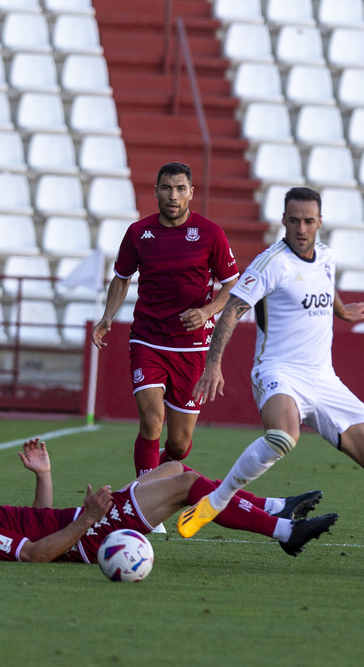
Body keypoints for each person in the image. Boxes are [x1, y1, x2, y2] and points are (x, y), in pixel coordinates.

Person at [176, 186, 364, 580]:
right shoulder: (270, 263)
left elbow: (324, 285)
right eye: (294, 221)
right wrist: (213, 365)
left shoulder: (326, 256)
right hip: (278, 371)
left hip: (324, 379)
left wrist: (342, 311)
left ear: (320, 222)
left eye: (309, 221)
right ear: (284, 221)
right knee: (282, 437)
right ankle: (216, 502)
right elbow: (231, 313)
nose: (301, 228)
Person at [0, 438, 337, 564]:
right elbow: (37, 554)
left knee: (171, 468)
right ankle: (284, 530)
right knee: (186, 483)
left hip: (86, 523)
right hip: (90, 537)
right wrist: (90, 518)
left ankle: (273, 507)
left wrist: (44, 475)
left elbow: (39, 523)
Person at [91, 162, 239, 478]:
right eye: (167, 188)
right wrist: (107, 316)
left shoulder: (211, 234)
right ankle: (144, 501)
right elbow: (121, 278)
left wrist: (208, 311)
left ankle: (158, 464)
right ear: (156, 191)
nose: (173, 196)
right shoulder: (138, 233)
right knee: (151, 419)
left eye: (180, 189)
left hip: (192, 346)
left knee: (180, 442)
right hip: (148, 339)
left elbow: (232, 285)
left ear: (191, 193)